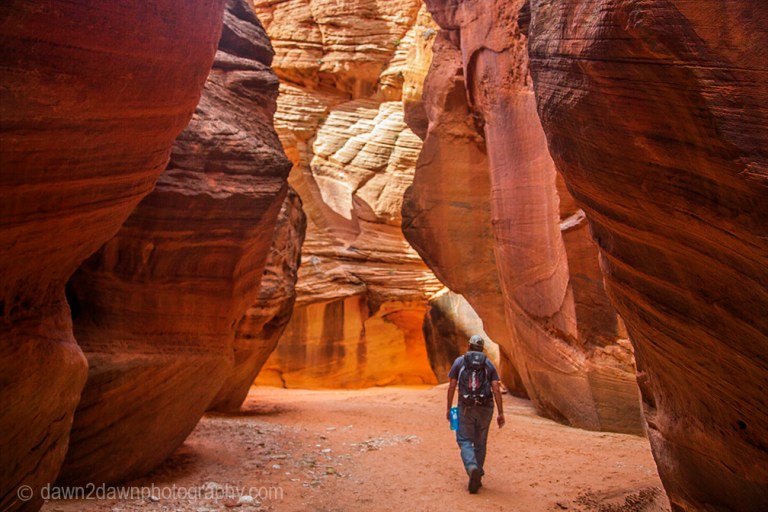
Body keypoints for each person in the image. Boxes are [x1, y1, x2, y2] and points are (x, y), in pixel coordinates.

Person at [446, 334, 505, 494]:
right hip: (486, 407)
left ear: (469, 346)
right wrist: (500, 413)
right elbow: (496, 389)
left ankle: (472, 467)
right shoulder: (488, 364)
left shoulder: (460, 362)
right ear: (482, 349)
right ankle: (477, 471)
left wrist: (449, 408)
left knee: (464, 440)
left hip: (465, 407)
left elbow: (452, 386)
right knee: (481, 442)